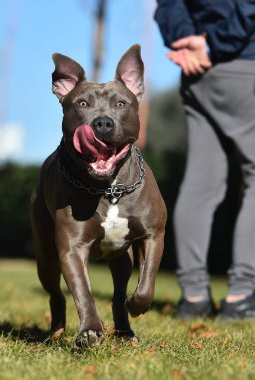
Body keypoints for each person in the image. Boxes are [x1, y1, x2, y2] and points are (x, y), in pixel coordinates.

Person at [155, 0, 255, 319]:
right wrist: (212, 46)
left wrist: (186, 39)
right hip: (243, 61)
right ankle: (242, 295)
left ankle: (194, 297)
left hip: (199, 72)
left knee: (201, 183)